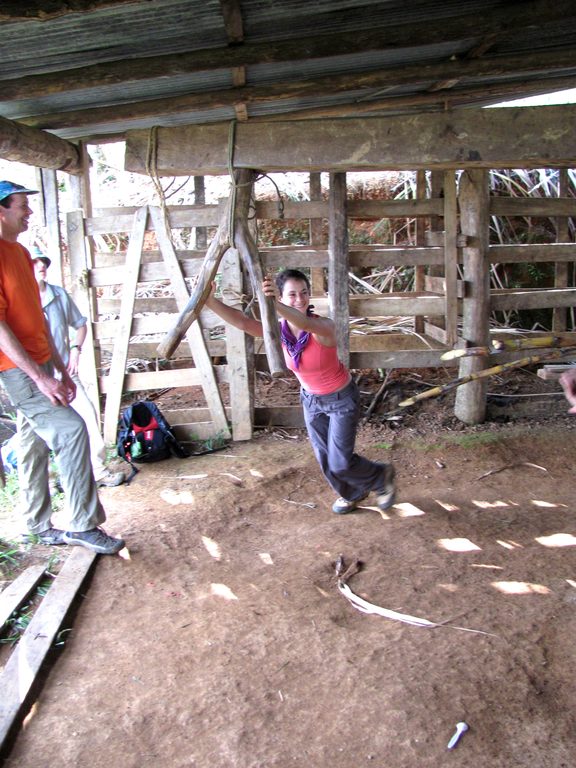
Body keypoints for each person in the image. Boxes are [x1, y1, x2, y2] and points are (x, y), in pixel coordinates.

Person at [205, 268, 396, 513]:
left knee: (340, 462)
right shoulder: (279, 332)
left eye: (304, 293)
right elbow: (242, 322)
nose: (300, 299)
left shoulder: (323, 327)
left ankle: (381, 476)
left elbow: (303, 321)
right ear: (282, 298)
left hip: (341, 399)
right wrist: (210, 301)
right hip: (311, 400)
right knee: (325, 458)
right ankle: (352, 493)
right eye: (292, 295)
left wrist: (274, 305)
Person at [0, 180, 124, 555]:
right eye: (22, 205)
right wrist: (39, 378)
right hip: (17, 369)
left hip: (39, 363)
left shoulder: (20, 253)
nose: (29, 212)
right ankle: (83, 525)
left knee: (31, 441)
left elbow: (36, 320)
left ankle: (36, 524)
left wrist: (61, 370)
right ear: (1, 210)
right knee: (71, 430)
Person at [31, 253, 125, 488]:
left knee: (87, 415)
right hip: (36, 376)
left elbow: (80, 325)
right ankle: (52, 480)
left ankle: (98, 471)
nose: (41, 266)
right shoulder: (20, 299)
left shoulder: (58, 295)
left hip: (64, 372)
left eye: (43, 262)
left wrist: (75, 349)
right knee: (39, 431)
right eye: (34, 262)